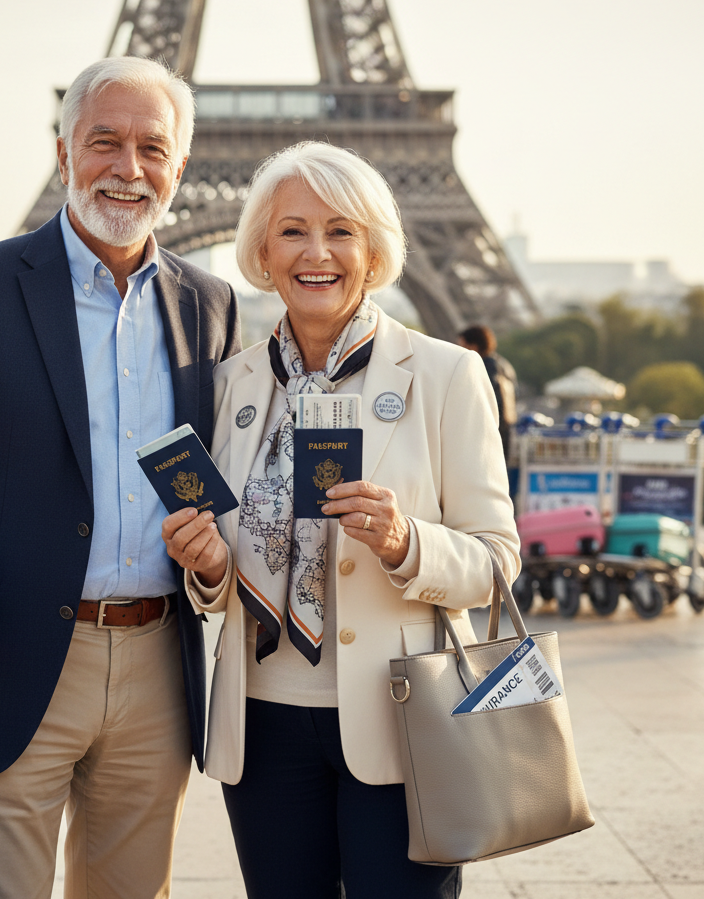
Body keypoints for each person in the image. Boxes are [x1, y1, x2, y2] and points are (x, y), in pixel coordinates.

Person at [0, 56, 241, 899]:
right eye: (104, 142)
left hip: (157, 663)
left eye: (151, 148)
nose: (128, 168)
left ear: (180, 167)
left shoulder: (211, 304)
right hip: (5, 653)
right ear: (64, 153)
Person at [163, 142, 520, 899]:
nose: (316, 252)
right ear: (262, 249)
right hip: (261, 724)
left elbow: (496, 561)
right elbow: (218, 568)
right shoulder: (231, 385)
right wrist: (208, 567)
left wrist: (405, 541)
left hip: (407, 721)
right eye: (292, 231)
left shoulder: (448, 375)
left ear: (375, 249)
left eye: (341, 231)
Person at [457, 324, 518, 460]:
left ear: (474, 346)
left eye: (462, 345)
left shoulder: (481, 367)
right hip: (503, 430)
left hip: (485, 433)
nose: (459, 350)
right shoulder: (503, 365)